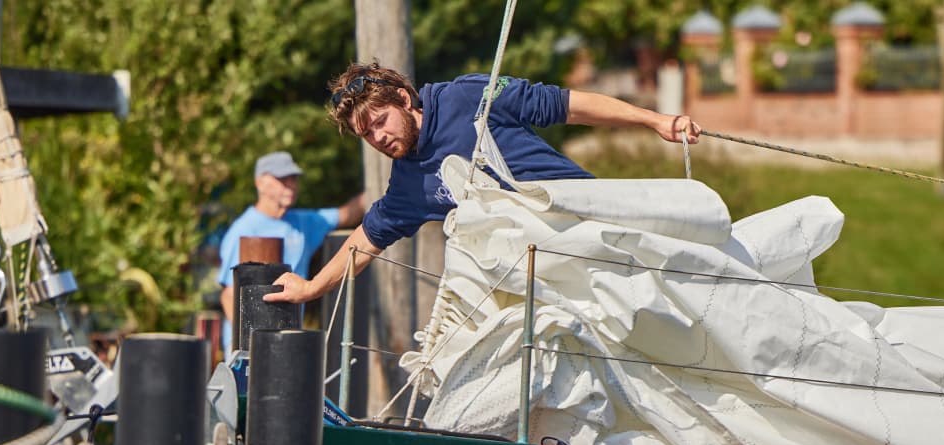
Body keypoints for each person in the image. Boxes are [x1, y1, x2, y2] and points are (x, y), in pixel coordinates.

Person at [264, 62, 701, 306]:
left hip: (593, 226)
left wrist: (655, 121)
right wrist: (311, 288)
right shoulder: (408, 187)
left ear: (403, 99)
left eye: (379, 122)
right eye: (367, 135)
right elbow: (366, 239)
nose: (378, 138)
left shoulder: (466, 97)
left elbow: (568, 106)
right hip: (542, 283)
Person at [216, 150, 364, 352]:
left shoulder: (303, 222)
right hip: (249, 349)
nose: (291, 186)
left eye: (293, 179)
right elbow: (228, 295)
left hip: (286, 343)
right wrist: (250, 345)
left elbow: (348, 214)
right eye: (282, 180)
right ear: (260, 183)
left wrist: (386, 187)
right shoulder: (243, 229)